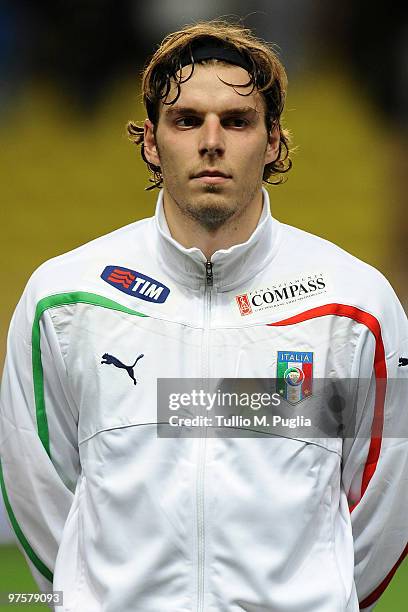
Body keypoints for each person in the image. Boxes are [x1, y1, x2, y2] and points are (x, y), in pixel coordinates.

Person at [0, 19, 407, 612]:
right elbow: (38, 497)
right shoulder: (64, 301)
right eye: (187, 120)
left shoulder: (355, 306)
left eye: (237, 121)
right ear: (150, 141)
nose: (211, 141)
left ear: (272, 141)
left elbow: (387, 503)